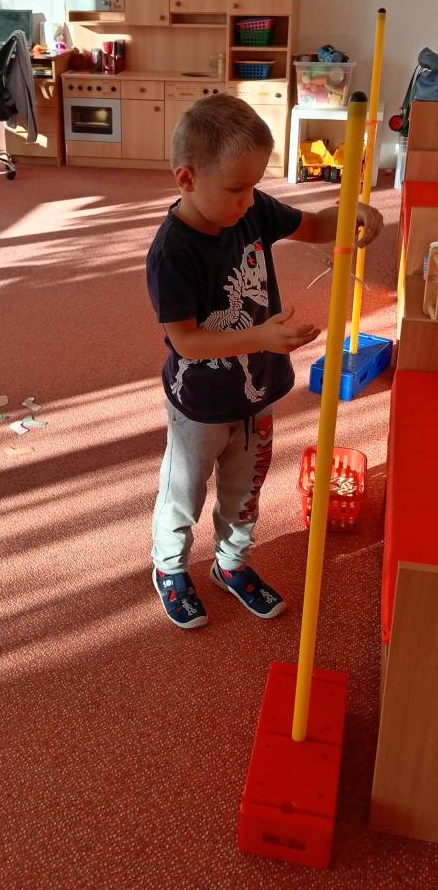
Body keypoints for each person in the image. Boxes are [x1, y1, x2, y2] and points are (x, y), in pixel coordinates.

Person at [146, 94, 383, 629]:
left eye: (254, 185)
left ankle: (231, 563)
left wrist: (349, 214)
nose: (249, 199)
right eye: (237, 188)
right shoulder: (171, 254)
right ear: (186, 179)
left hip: (257, 391)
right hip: (200, 403)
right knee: (184, 493)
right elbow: (187, 341)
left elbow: (313, 225)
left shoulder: (251, 209)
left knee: (245, 488)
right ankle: (170, 567)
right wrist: (261, 336)